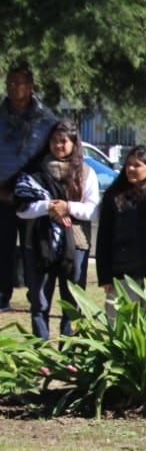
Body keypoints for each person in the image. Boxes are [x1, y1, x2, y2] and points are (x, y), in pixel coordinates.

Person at [9, 120, 99, 339]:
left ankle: (67, 354)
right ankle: (41, 352)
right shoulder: (34, 173)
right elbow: (22, 208)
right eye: (54, 141)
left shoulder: (86, 173)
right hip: (38, 243)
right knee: (39, 300)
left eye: (64, 141)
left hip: (75, 244)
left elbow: (93, 210)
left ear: (74, 143)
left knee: (72, 300)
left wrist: (67, 207)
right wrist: (48, 207)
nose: (59, 145)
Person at [0, 67, 58, 312]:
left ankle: (37, 298)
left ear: (31, 86)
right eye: (10, 82)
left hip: (31, 192)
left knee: (32, 247)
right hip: (0, 192)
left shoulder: (46, 120)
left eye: (19, 82)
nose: (13, 86)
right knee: (1, 247)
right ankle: (2, 296)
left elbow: (52, 155)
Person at [95, 146, 146, 321]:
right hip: (123, 273)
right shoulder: (114, 197)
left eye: (136, 165)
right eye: (128, 165)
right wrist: (105, 277)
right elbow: (104, 239)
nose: (130, 169)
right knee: (119, 324)